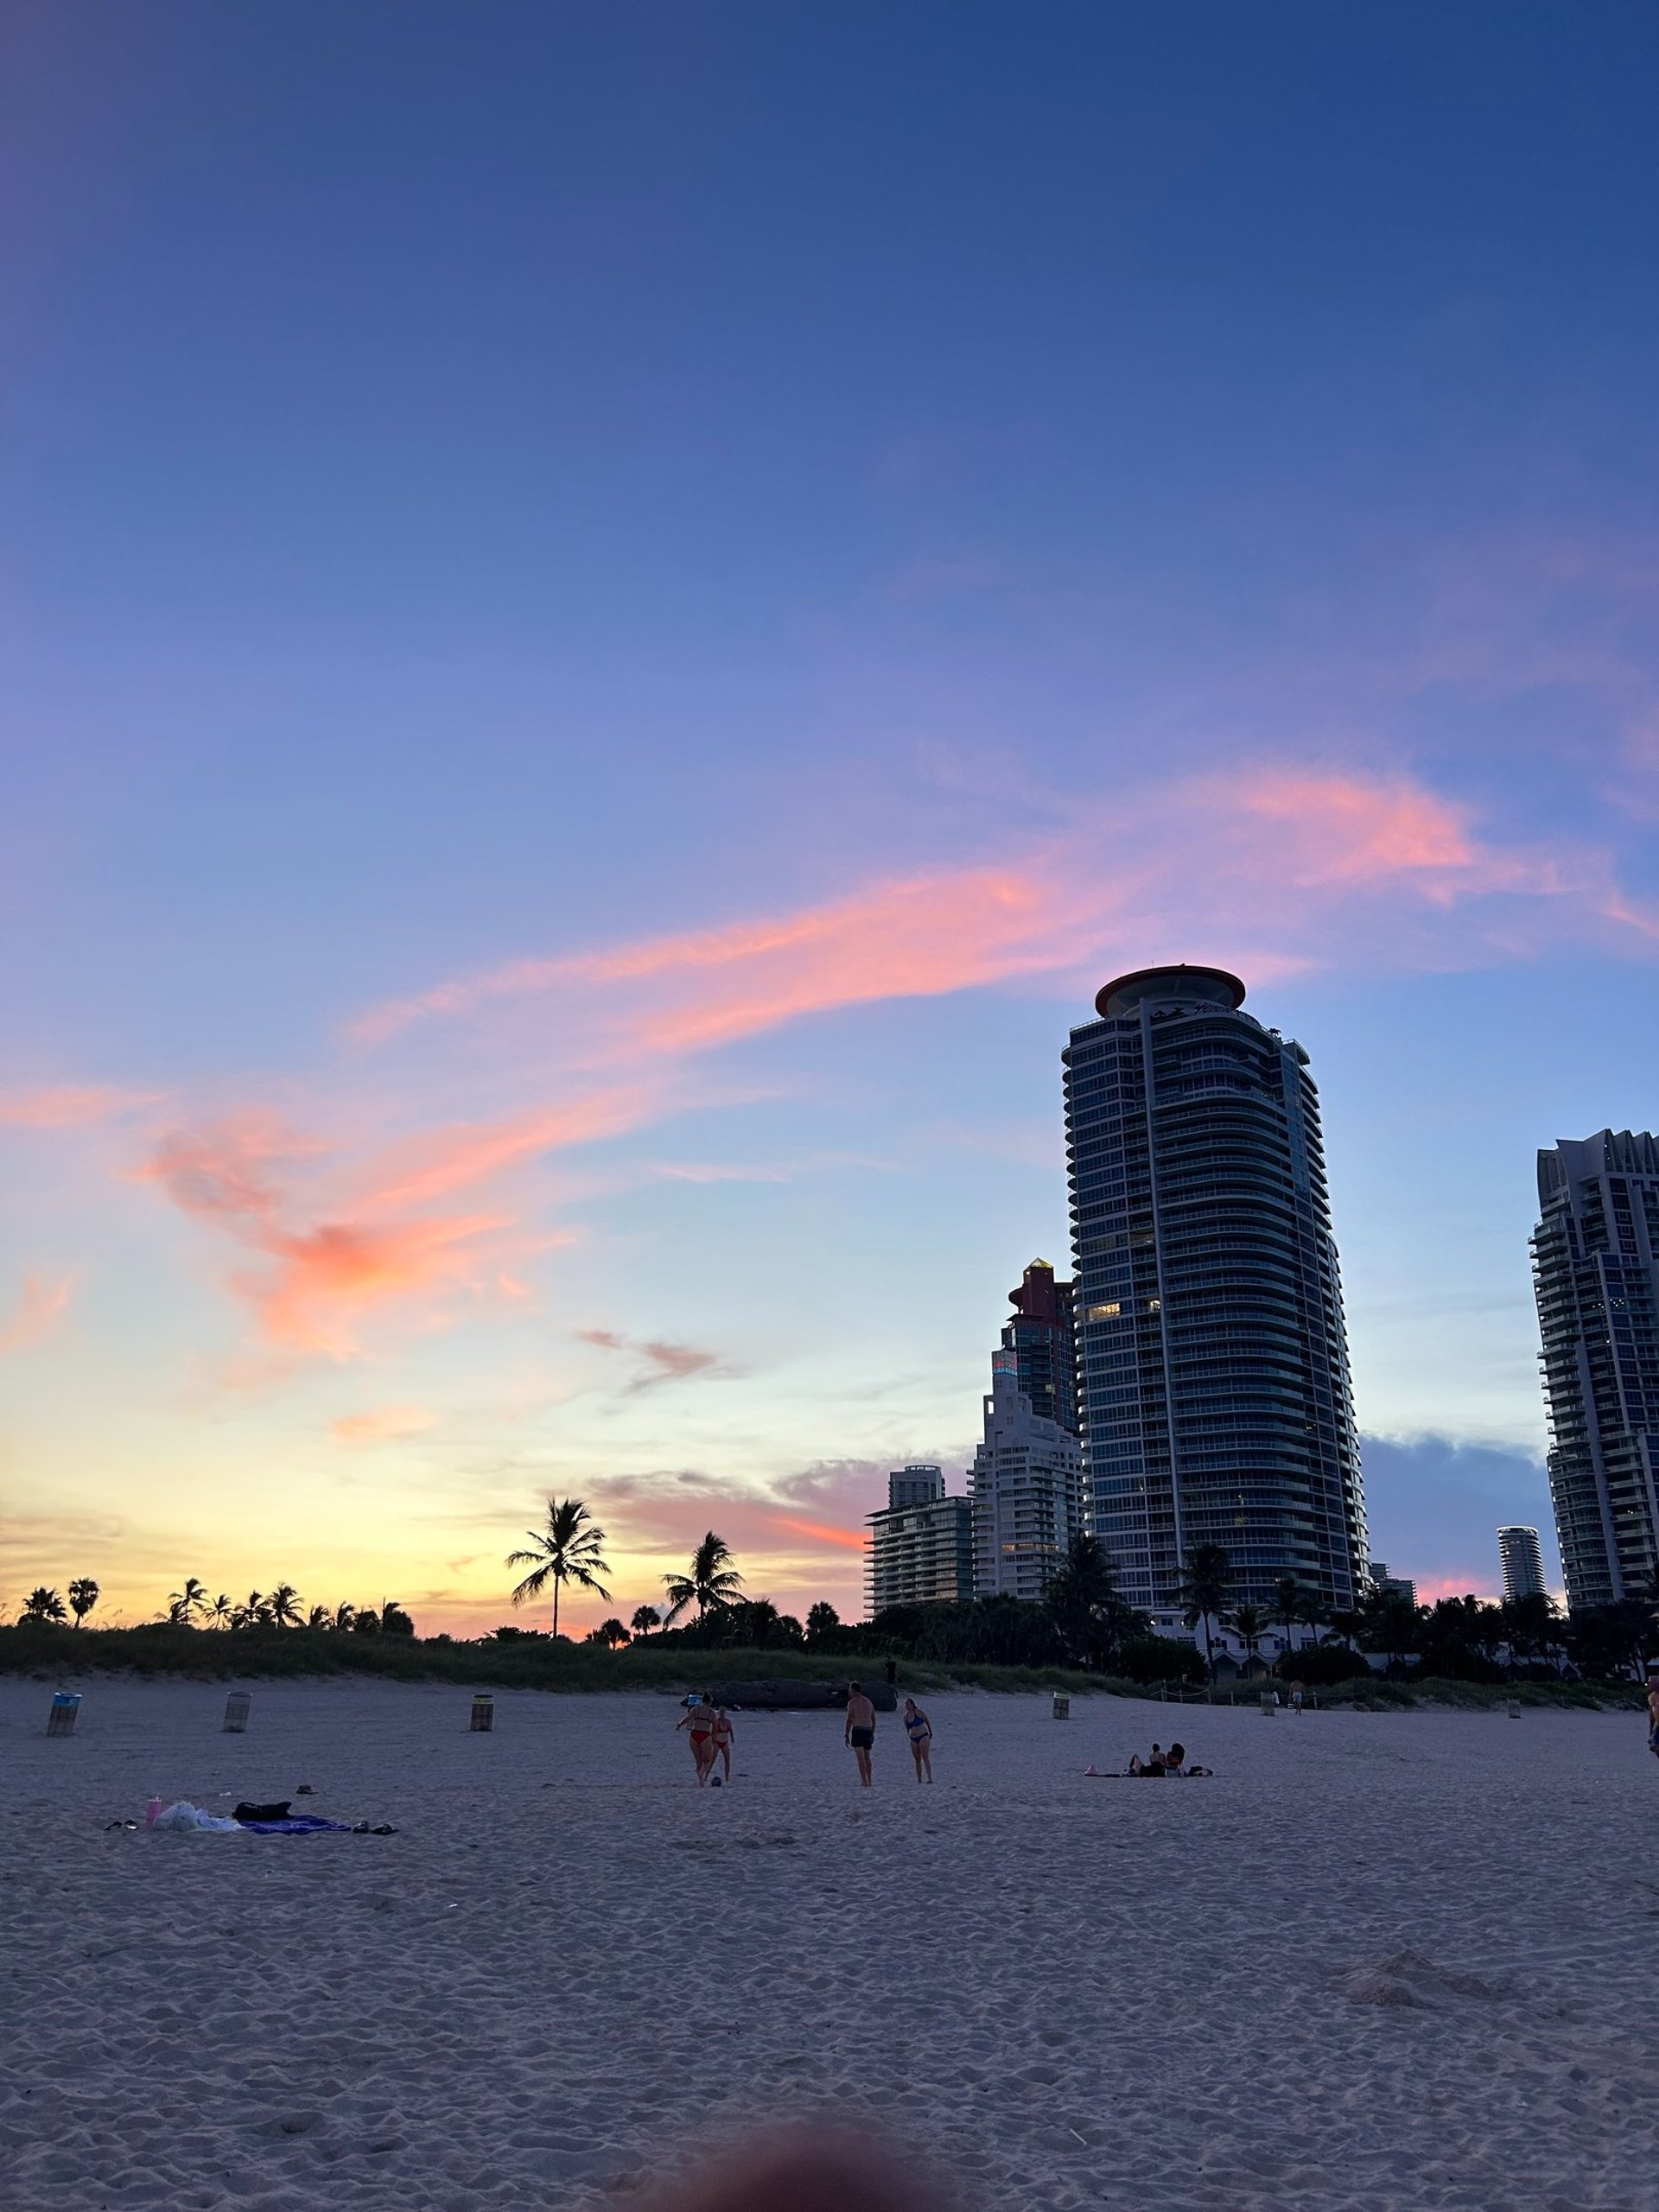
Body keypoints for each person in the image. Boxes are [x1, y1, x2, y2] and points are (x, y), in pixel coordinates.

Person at [677, 1692, 718, 1785]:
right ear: (710, 1702)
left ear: (702, 1701)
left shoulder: (696, 1709)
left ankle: (701, 1779)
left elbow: (687, 1718)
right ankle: (701, 1777)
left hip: (694, 1734)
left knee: (698, 1761)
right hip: (704, 1735)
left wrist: (679, 1724)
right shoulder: (711, 1713)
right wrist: (714, 1738)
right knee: (707, 1760)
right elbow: (715, 1727)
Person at [845, 1681, 876, 1786]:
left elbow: (849, 1720)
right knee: (867, 1757)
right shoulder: (868, 1702)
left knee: (861, 1758)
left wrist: (846, 1734)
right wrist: (872, 1732)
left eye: (850, 1689)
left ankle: (864, 1780)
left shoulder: (852, 1703)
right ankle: (870, 1780)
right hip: (868, 1729)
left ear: (853, 1690)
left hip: (858, 1730)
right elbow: (873, 1719)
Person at [902, 1697, 933, 1783]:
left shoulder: (919, 1713)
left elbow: (927, 1721)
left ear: (912, 1704)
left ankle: (929, 1778)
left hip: (923, 1736)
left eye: (908, 1704)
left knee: (925, 1756)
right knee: (917, 1759)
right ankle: (919, 1779)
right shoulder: (905, 1717)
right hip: (913, 1738)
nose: (907, 1706)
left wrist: (930, 1732)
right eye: (906, 1705)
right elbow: (908, 1729)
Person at [713, 1706, 735, 1783]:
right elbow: (712, 1733)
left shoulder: (728, 1722)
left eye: (723, 1712)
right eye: (721, 1712)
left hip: (725, 1742)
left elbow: (731, 1732)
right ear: (719, 1713)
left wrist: (732, 1738)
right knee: (712, 1759)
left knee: (727, 1759)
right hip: (717, 1742)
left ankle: (727, 1778)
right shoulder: (716, 1721)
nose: (722, 1714)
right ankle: (705, 1775)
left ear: (725, 1713)